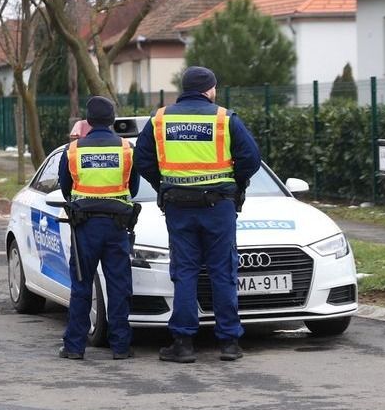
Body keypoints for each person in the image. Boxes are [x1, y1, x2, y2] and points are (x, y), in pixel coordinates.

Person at [133, 66, 261, 363]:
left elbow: (143, 160)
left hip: (179, 207)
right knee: (222, 271)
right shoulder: (224, 118)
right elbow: (251, 159)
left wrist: (163, 186)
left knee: (185, 272)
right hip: (219, 207)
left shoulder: (160, 118)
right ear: (210, 89)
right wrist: (235, 183)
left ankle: (183, 343)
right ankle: (229, 343)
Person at [56, 96, 139, 361]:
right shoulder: (127, 149)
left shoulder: (73, 151)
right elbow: (133, 188)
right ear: (112, 119)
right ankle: (121, 347)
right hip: (117, 227)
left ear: (88, 121)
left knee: (81, 286)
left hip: (85, 227)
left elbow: (66, 188)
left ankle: (74, 347)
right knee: (118, 285)